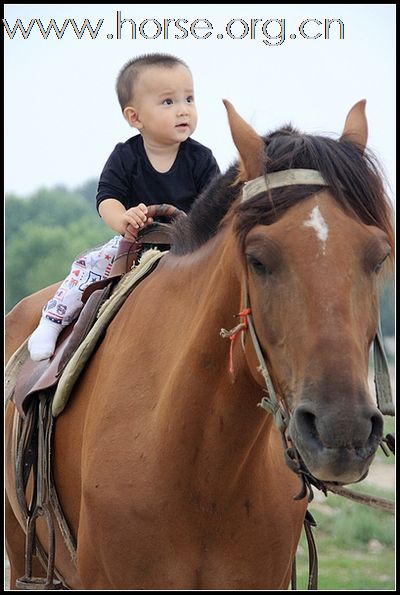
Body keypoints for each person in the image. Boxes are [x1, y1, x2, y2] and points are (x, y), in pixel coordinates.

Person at [27, 53, 220, 361]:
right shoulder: (126, 156)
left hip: (187, 245)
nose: (183, 109)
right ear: (135, 117)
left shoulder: (201, 158)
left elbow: (214, 207)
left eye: (189, 98)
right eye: (168, 102)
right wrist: (124, 218)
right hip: (137, 242)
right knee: (89, 266)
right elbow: (107, 198)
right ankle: (53, 320)